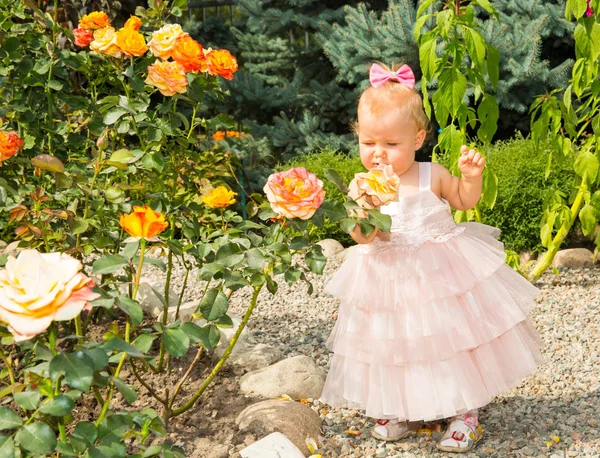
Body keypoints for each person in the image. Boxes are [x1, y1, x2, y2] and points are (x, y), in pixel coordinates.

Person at [319, 63, 543, 453]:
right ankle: (400, 405)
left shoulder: (430, 174)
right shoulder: (360, 184)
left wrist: (470, 177)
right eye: (369, 142)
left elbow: (463, 201)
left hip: (437, 276)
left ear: (418, 138)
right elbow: (362, 237)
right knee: (393, 343)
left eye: (391, 144)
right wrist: (365, 209)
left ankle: (463, 411)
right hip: (387, 279)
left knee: (448, 342)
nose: (379, 155)